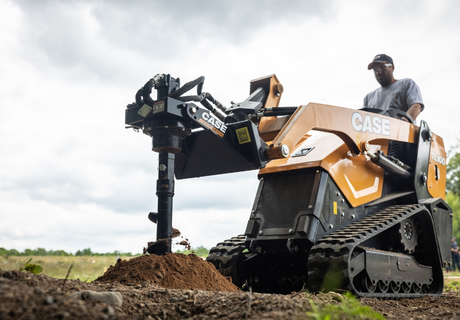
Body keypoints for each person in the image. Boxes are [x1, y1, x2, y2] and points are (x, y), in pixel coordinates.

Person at [363, 54, 424, 122]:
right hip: (375, 132)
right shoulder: (368, 98)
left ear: (392, 67)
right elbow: (363, 119)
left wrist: (403, 121)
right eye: (375, 70)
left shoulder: (406, 84)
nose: (378, 72)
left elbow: (416, 106)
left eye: (382, 67)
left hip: (401, 132)